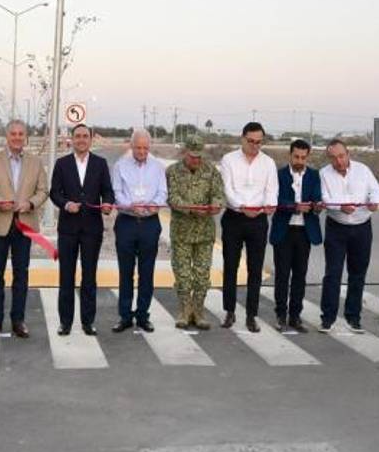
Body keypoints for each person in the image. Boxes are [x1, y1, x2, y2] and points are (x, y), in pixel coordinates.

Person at [0, 120, 49, 338]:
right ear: (7, 136)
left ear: (25, 137)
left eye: (21, 134)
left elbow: (43, 190)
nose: (17, 137)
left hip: (24, 224)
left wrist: (29, 204)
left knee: (21, 273)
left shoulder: (36, 163)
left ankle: (18, 320)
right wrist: (0, 202)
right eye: (13, 134)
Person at [49, 124, 115, 336]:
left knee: (89, 276)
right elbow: (54, 192)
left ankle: (88, 321)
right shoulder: (62, 164)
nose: (81, 140)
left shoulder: (100, 163)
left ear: (91, 139)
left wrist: (107, 205)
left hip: (92, 229)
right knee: (66, 276)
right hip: (68, 229)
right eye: (77, 136)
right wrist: (66, 204)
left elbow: (108, 191)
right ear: (71, 139)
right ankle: (65, 322)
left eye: (85, 136)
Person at [218, 122, 278, 333]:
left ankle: (251, 315)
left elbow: (272, 190)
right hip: (234, 218)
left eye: (259, 142)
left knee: (255, 269)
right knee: (231, 266)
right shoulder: (229, 160)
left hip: (258, 221)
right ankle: (229, 311)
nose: (255, 146)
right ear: (242, 138)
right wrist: (242, 207)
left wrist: (267, 206)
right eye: (251, 141)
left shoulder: (268, 162)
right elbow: (227, 190)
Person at [318, 139, 379, 333]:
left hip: (362, 227)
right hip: (337, 227)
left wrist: (374, 201)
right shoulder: (323, 174)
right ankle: (327, 318)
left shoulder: (363, 170)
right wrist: (339, 207)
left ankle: (353, 317)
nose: (338, 161)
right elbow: (324, 198)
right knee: (333, 273)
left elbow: (375, 189)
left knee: (358, 274)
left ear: (348, 154)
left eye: (341, 156)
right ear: (329, 158)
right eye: (334, 157)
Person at [111, 129, 168, 333]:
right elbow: (116, 193)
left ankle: (143, 315)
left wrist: (155, 204)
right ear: (131, 146)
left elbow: (163, 192)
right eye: (138, 147)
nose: (142, 151)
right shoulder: (120, 165)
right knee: (126, 273)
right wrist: (129, 205)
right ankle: (125, 316)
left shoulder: (158, 166)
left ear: (149, 147)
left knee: (147, 272)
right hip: (127, 222)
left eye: (145, 148)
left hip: (149, 224)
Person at [165, 136, 225, 330]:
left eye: (199, 157)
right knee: (182, 274)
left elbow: (218, 194)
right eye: (192, 157)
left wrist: (216, 205)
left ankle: (198, 312)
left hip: (204, 233)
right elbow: (172, 197)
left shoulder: (211, 171)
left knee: (201, 275)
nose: (196, 161)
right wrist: (191, 209)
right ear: (185, 152)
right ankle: (184, 311)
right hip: (181, 232)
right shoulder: (172, 171)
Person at [269, 139, 322, 333]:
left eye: (303, 157)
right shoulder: (279, 175)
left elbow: (317, 197)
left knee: (300, 275)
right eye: (296, 156)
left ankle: (295, 316)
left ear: (308, 156)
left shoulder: (314, 175)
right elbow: (274, 199)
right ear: (290, 155)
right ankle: (280, 315)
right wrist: (294, 206)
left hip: (304, 232)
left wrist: (317, 206)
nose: (299, 160)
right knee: (282, 275)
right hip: (284, 231)